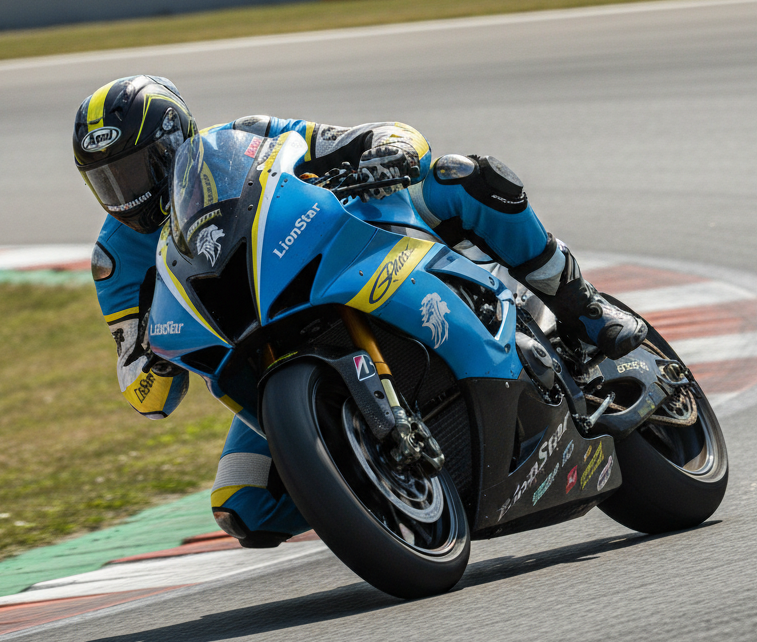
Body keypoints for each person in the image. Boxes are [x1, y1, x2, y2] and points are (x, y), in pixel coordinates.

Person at [73, 74, 646, 547]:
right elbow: (141, 388)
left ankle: (584, 311)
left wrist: (384, 149)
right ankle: (376, 491)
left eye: (133, 170)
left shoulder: (242, 140)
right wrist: (154, 360)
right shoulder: (114, 260)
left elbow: (345, 137)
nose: (124, 195)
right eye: (105, 181)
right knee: (243, 506)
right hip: (262, 347)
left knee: (466, 176)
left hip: (350, 253)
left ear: (176, 140)